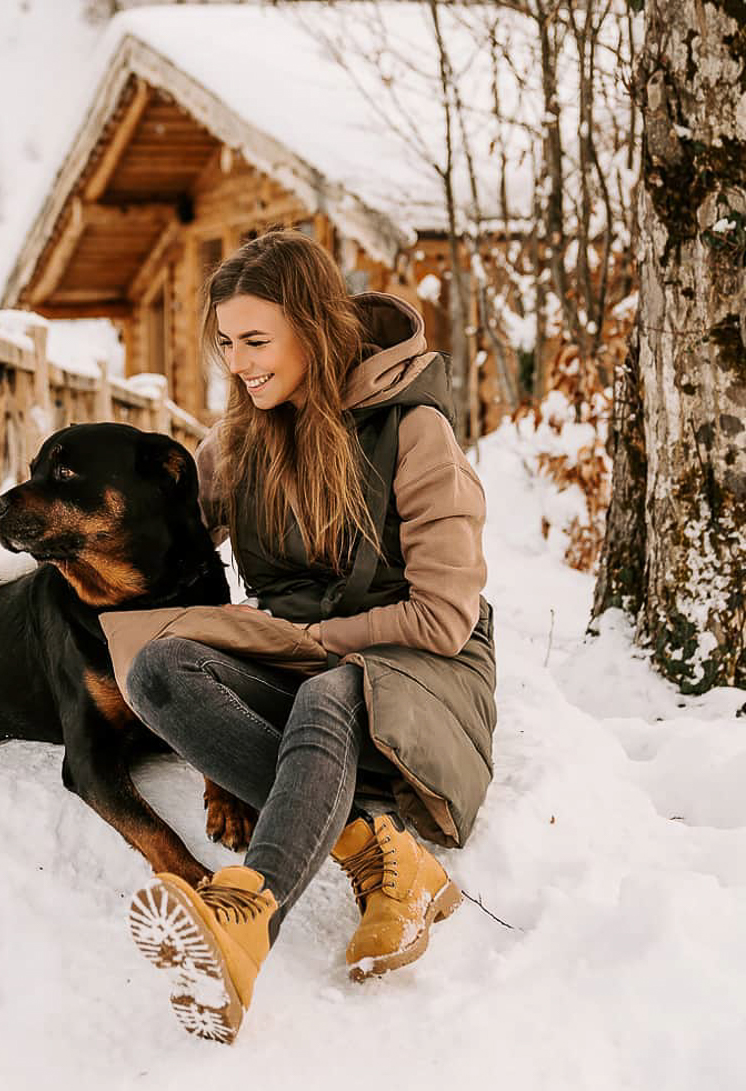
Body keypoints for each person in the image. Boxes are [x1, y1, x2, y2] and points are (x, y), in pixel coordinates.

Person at [114, 229, 497, 1045]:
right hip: (307, 657)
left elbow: (444, 615)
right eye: (226, 342)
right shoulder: (245, 439)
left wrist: (311, 637)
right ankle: (384, 856)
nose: (240, 362)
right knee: (159, 670)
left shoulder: (412, 429)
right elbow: (161, 536)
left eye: (257, 339)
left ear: (314, 329)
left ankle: (245, 921)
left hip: (422, 674)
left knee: (330, 687)